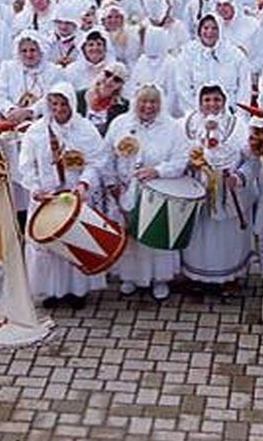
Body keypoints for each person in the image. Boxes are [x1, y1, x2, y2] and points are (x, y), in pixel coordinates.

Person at [18, 81, 108, 309]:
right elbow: (26, 165)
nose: (58, 109)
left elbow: (96, 161)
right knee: (48, 248)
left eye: (63, 104)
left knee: (75, 243)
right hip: (45, 198)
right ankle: (50, 290)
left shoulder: (85, 129)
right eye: (54, 104)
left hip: (75, 197)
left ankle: (77, 291)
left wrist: (84, 184)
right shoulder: (36, 131)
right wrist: (35, 188)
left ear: (72, 104)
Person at [105, 84, 189, 300]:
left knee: (156, 235)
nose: (148, 106)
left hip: (159, 191)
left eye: (153, 102)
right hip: (127, 189)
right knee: (131, 236)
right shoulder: (120, 124)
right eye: (144, 101)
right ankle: (130, 276)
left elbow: (180, 160)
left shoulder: (172, 127)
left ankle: (160, 278)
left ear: (161, 104)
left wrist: (158, 171)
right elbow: (107, 156)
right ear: (135, 102)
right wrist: (112, 183)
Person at [182, 83, 253, 294]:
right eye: (207, 100)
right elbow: (176, 154)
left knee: (227, 235)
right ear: (199, 102)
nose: (212, 104)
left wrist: (239, 176)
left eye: (216, 99)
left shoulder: (238, 125)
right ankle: (196, 277)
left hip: (228, 190)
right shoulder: (187, 124)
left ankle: (230, 277)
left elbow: (252, 159)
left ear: (224, 101)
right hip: (198, 188)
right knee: (199, 235)